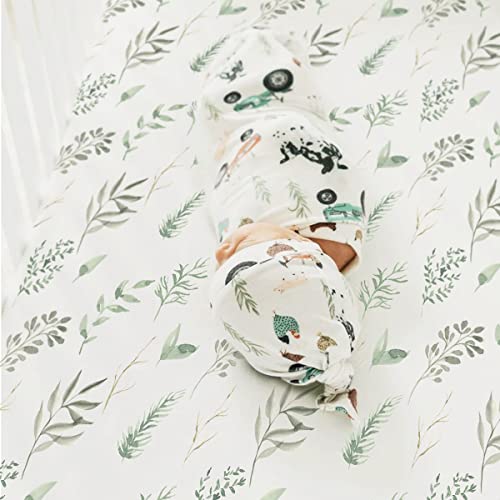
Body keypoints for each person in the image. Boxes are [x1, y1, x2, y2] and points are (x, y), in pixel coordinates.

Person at [199, 27, 366, 423]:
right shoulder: (335, 233)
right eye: (244, 250)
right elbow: (311, 152)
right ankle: (263, 48)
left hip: (241, 150)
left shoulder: (313, 275)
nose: (222, 251)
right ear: (297, 249)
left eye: (227, 261)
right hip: (279, 119)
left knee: (211, 113)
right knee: (231, 97)